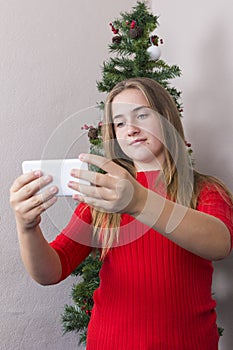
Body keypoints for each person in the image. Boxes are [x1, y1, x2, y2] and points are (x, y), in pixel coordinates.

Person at [10, 78, 233, 350]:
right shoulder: (100, 198)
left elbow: (219, 244)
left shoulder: (205, 190)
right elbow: (51, 271)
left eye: (142, 115)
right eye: (120, 122)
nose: (131, 129)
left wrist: (138, 201)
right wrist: (27, 227)